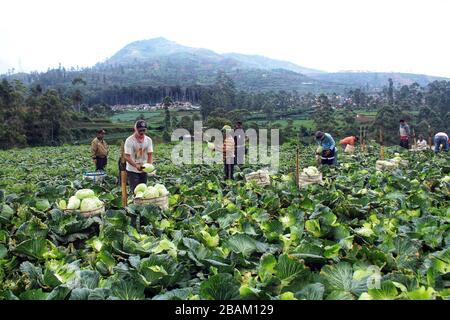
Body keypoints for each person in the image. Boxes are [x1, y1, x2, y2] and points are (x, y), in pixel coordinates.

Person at [124, 120, 154, 192]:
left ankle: (142, 203)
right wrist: (136, 165)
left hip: (144, 169)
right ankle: (135, 202)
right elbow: (126, 156)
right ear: (135, 129)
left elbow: (150, 154)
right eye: (140, 130)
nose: (142, 132)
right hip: (132, 170)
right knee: (135, 190)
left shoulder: (148, 140)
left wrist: (149, 166)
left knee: (143, 190)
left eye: (144, 130)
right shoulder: (129, 140)